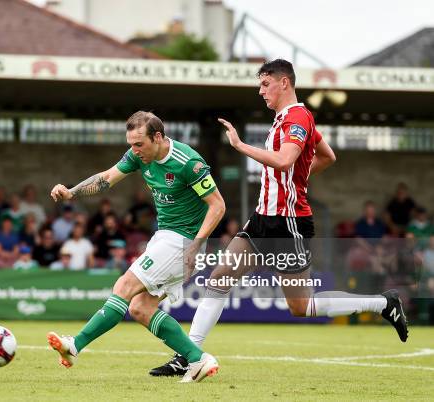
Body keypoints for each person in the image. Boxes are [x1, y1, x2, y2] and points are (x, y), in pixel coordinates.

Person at [150, 59, 409, 377]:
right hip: (263, 219)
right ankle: (188, 356)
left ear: (284, 82)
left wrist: (241, 146)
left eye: (265, 83)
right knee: (218, 280)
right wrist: (300, 177)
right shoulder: (285, 119)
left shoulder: (298, 117)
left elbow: (286, 161)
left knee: (301, 307)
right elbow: (327, 156)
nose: (260, 91)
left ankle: (383, 304)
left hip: (288, 223)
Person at [47, 110, 226, 383]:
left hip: (182, 241)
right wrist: (71, 192)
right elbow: (106, 178)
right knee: (141, 309)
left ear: (158, 137)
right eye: (131, 144)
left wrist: (195, 246)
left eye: (139, 144)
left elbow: (218, 205)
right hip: (166, 238)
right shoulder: (137, 156)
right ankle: (197, 359)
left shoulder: (187, 162)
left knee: (124, 287)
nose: (134, 150)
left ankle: (75, 345)